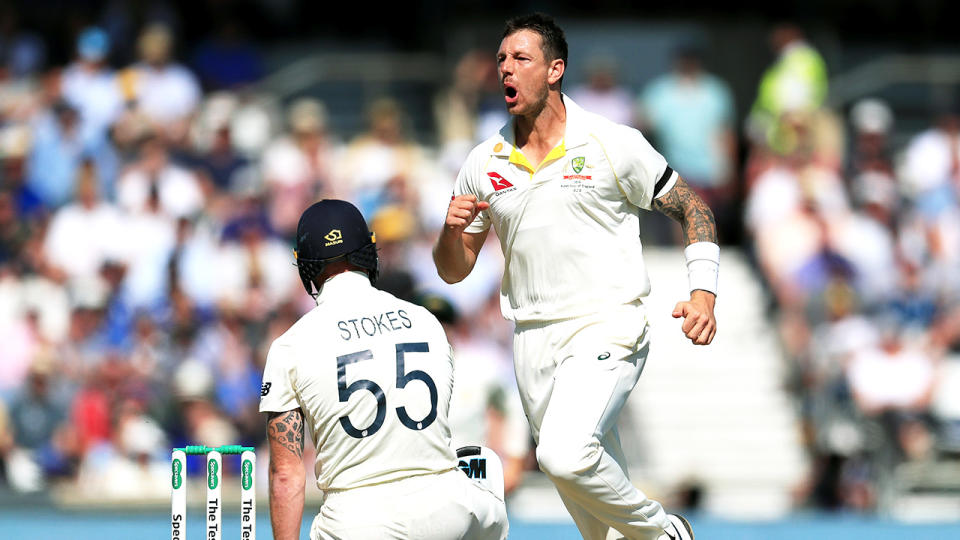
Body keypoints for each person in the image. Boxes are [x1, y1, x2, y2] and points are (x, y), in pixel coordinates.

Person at [433, 13, 719, 540]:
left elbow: (692, 207)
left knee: (563, 456)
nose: (505, 71)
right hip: (531, 339)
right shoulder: (483, 160)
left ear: (555, 69)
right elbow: (455, 270)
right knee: (601, 528)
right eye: (500, 60)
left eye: (520, 59)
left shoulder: (612, 142)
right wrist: (449, 233)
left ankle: (664, 533)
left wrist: (704, 291)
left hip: (606, 324)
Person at [259, 199, 507, 540]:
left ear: (307, 267)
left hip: (358, 520)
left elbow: (286, 475)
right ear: (368, 252)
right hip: (450, 509)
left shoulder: (290, 346)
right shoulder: (427, 321)